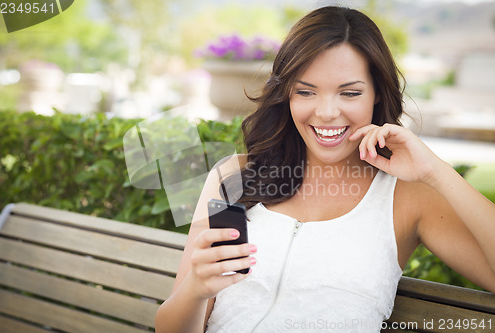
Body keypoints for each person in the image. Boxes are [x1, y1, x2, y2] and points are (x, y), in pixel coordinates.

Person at [155, 6, 495, 333]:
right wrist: (195, 289)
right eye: (306, 91)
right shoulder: (234, 177)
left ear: (377, 94)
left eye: (349, 93)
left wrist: (436, 170)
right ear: (286, 93)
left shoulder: (409, 194)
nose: (327, 112)